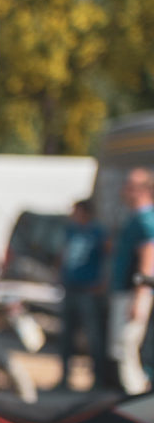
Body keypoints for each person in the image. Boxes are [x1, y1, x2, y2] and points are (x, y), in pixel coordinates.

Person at [107, 167, 154, 394]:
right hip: (126, 292)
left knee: (127, 345)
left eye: (129, 186)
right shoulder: (135, 218)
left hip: (133, 294)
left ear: (142, 190)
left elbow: (148, 256)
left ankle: (136, 396)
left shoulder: (146, 219)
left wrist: (141, 296)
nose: (123, 191)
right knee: (122, 347)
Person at [57, 199, 107, 389]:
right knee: (66, 336)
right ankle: (64, 379)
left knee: (93, 337)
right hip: (71, 288)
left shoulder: (98, 232)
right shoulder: (70, 231)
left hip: (89, 291)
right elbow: (63, 254)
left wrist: (102, 283)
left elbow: (107, 258)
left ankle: (99, 381)